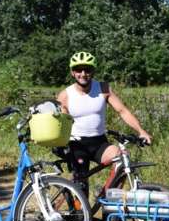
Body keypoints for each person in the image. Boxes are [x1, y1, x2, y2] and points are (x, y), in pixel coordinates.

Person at [57, 51, 151, 181]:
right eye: (78, 70)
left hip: (99, 142)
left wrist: (141, 131)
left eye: (87, 70)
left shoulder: (103, 88)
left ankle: (106, 196)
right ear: (72, 72)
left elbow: (122, 111)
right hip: (76, 145)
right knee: (81, 187)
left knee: (122, 160)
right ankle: (75, 198)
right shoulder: (65, 95)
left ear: (93, 71)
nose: (83, 74)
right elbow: (61, 123)